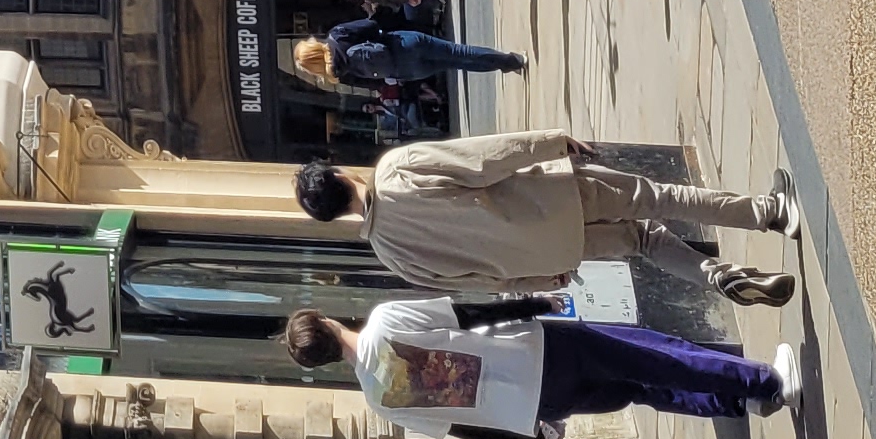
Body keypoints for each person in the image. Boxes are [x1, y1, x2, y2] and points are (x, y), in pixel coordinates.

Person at [293, 130, 798, 304]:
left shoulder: (392, 256)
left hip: (551, 253)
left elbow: (478, 282)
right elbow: (482, 160)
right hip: (554, 199)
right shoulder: (395, 171)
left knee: (644, 242)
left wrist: (539, 280)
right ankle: (768, 212)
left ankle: (720, 278)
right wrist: (551, 142)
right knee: (659, 197)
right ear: (338, 175)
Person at [284, 294, 798, 436]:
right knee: (651, 355)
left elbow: (463, 429)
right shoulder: (385, 321)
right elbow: (465, 312)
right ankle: (763, 381)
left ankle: (732, 401)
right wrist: (532, 304)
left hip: (536, 405)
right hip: (538, 351)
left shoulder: (380, 400)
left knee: (638, 390)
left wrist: (530, 432)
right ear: (326, 321)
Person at [292, 26, 525, 88]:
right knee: (458, 52)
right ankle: (510, 61)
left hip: (404, 71)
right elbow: (370, 25)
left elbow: (373, 84)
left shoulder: (336, 76)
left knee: (455, 64)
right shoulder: (337, 35)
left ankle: (505, 66)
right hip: (402, 44)